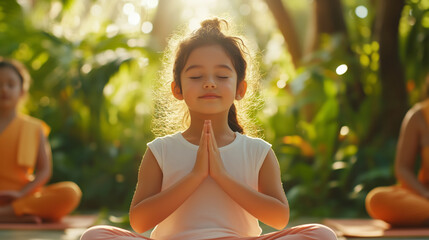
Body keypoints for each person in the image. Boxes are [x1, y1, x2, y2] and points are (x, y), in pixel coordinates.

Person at [80, 18, 337, 240]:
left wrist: (222, 175)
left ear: (240, 89)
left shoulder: (258, 151)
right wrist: (195, 175)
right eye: (196, 76)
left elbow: (280, 219)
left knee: (321, 235)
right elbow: (139, 222)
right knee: (95, 235)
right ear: (177, 89)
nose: (210, 84)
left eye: (222, 76)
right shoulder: (160, 151)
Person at [0, 58, 82, 223]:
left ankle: (7, 213)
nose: (4, 89)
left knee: (70, 193)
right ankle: (16, 215)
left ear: (22, 91)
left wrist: (21, 194)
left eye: (10, 84)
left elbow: (44, 171)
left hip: (21, 195)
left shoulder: (35, 128)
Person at [366, 76, 429, 227]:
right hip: (424, 197)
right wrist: (425, 194)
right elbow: (402, 168)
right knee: (377, 200)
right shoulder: (419, 116)